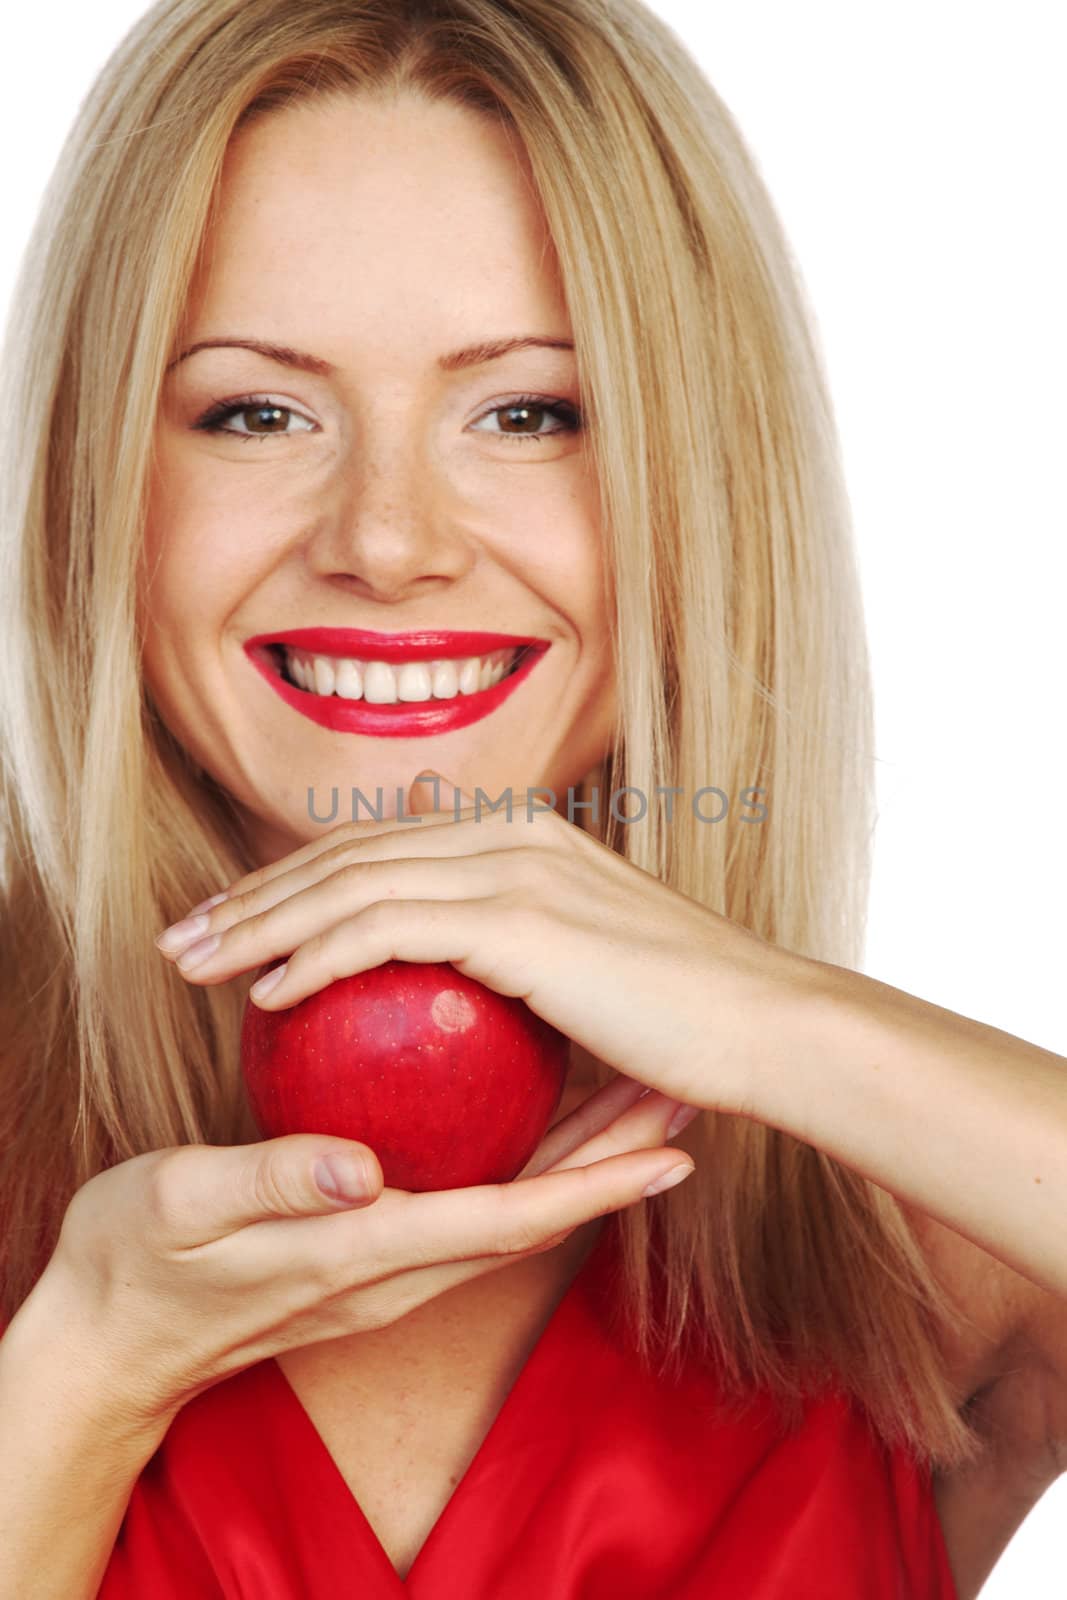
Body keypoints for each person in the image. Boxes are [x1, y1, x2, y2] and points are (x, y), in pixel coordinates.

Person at [0, 1, 1064, 1596]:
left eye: (530, 412)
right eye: (255, 411)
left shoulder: (923, 1234)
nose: (388, 538)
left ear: (698, 477)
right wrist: (87, 1367)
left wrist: (784, 1025)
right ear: (97, 483)